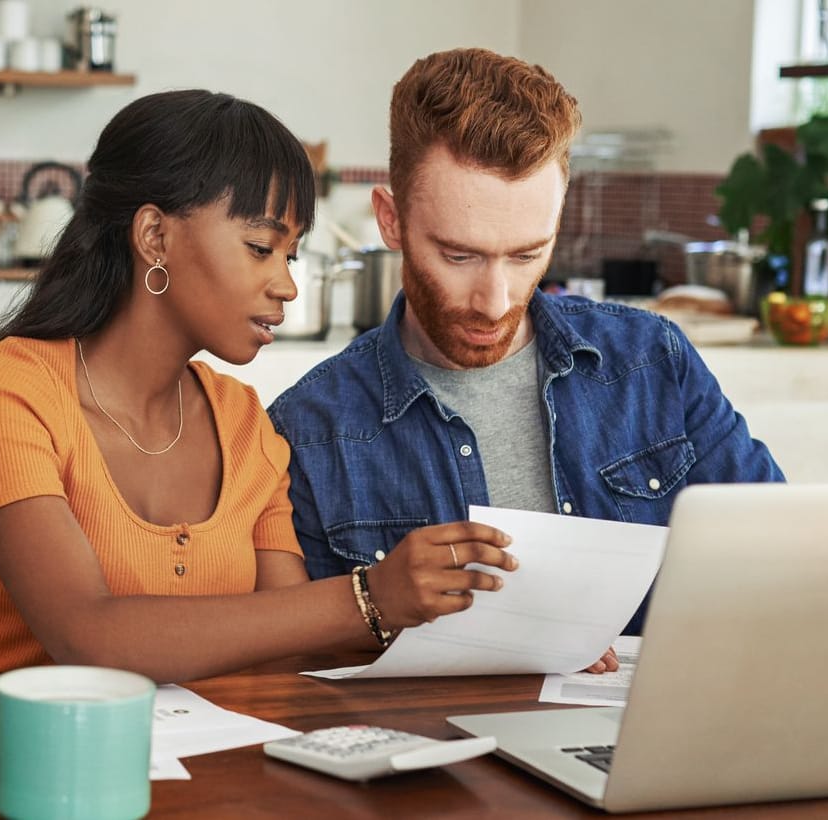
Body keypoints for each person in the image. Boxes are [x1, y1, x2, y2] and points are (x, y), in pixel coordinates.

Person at [0, 89, 519, 682]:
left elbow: (291, 647)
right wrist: (370, 596)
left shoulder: (242, 420)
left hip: (213, 766)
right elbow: (88, 637)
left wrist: (513, 642)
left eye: (290, 254)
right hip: (25, 762)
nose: (285, 284)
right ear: (155, 237)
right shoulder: (11, 392)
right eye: (261, 248)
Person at [267, 49, 784, 639]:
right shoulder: (307, 429)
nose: (494, 299)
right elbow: (305, 667)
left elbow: (774, 553)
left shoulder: (652, 360)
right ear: (390, 220)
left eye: (526, 255)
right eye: (458, 255)